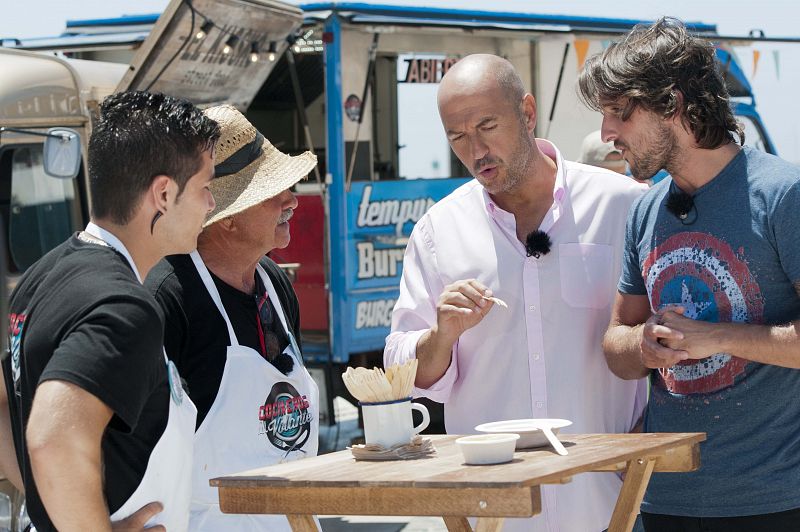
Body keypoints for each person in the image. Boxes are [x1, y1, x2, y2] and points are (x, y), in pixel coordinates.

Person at [384, 54, 647, 531]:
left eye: (487, 125)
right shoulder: (437, 232)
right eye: (458, 137)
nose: (476, 150)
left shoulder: (625, 207)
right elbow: (403, 372)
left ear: (527, 113)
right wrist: (440, 336)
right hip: (492, 512)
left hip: (610, 501)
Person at [578, 17, 800, 531]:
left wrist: (716, 337)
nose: (608, 134)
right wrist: (645, 347)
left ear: (672, 104)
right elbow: (616, 346)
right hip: (662, 499)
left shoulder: (783, 196)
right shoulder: (644, 211)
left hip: (772, 501)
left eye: (618, 113)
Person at [0, 91, 219, 531]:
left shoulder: (42, 275)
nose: (211, 205)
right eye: (206, 187)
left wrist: (54, 514)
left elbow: (6, 405)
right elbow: (51, 437)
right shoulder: (124, 307)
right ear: (162, 194)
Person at [145, 104, 319, 531]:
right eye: (272, 192)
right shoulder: (168, 298)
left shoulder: (274, 284)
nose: (292, 200)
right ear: (225, 220)